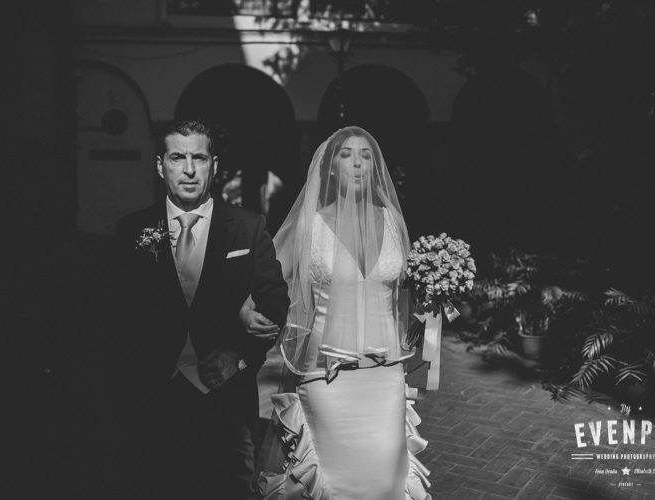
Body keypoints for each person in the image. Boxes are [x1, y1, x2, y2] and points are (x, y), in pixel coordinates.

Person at [103, 119, 289, 499]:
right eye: (177, 157)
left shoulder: (248, 228)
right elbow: (113, 312)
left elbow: (274, 303)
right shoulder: (132, 230)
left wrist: (237, 356)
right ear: (160, 166)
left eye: (199, 158)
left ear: (213, 165)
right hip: (151, 397)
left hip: (226, 401)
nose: (189, 169)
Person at [244, 126, 431, 499]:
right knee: (337, 481)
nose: (358, 163)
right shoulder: (309, 225)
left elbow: (408, 300)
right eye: (347, 155)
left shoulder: (393, 222)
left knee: (385, 482)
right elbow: (264, 283)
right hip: (325, 375)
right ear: (330, 168)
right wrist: (246, 311)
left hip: (385, 376)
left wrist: (440, 289)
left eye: (366, 156)